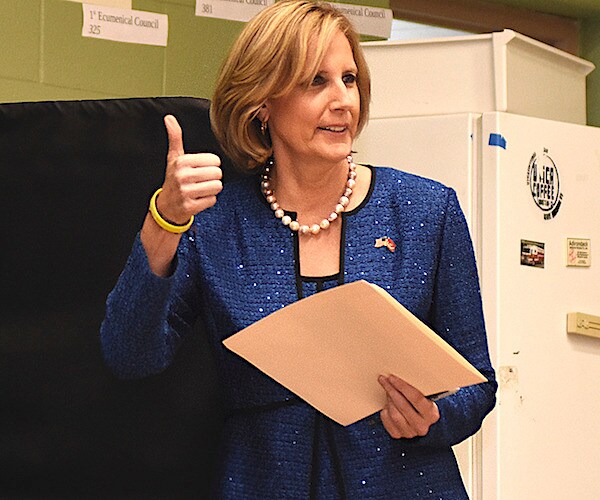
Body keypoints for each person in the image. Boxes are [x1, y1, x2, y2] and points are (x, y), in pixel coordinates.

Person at [100, 1, 497, 497]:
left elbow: (479, 384)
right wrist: (165, 222)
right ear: (262, 102)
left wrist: (434, 416)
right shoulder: (217, 223)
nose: (343, 101)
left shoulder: (426, 211)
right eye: (316, 82)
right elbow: (129, 356)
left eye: (349, 79)